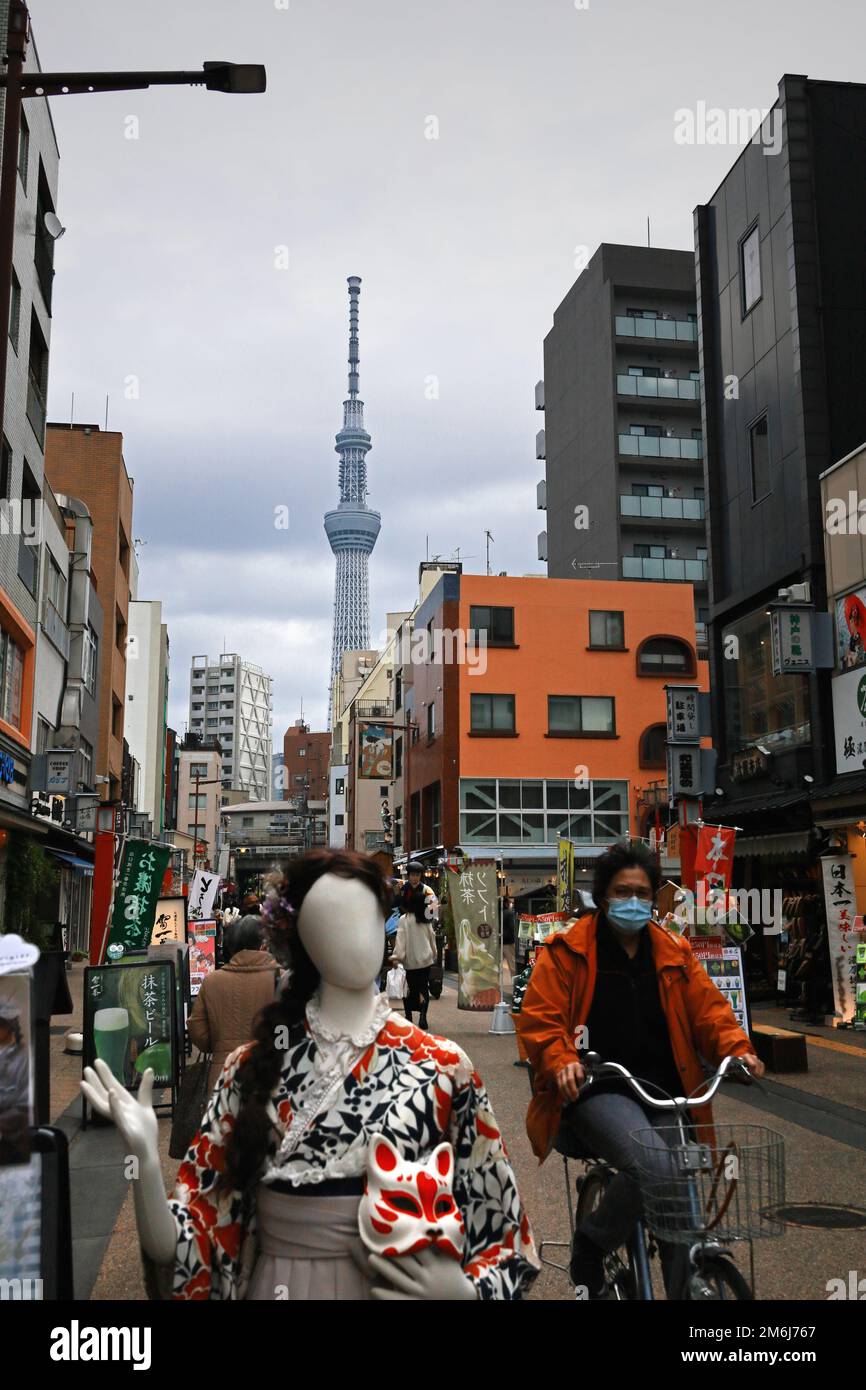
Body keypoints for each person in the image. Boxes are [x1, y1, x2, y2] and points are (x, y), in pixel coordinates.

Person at [81, 848, 539, 1301]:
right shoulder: (250, 1069)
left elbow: (500, 1228)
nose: (358, 936)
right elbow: (201, 1235)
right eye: (336, 921)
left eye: (368, 918)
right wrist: (142, 1160)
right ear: (301, 938)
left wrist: (464, 1292)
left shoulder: (444, 1066)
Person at [516, 840, 764, 1300]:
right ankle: (592, 1243)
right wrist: (562, 1059)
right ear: (603, 895)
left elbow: (710, 1013)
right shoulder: (567, 950)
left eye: (642, 892)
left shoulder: (675, 952)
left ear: (654, 897)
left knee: (681, 1209)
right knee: (655, 1164)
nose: (633, 901)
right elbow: (541, 1020)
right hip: (597, 1087)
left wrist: (738, 1049)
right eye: (622, 891)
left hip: (665, 1089)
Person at [187, 915, 280, 1090]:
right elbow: (287, 1030)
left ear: (231, 947)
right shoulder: (279, 979)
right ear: (263, 945)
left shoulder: (212, 981)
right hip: (268, 1073)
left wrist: (219, 1044)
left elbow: (198, 1031)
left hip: (223, 1075)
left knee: (223, 1116)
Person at [392, 861, 439, 1028]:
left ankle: (411, 1016)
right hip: (425, 956)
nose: (414, 878)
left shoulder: (426, 891)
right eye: (412, 874)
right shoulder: (406, 888)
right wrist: (434, 953)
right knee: (422, 987)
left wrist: (397, 956)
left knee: (410, 988)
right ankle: (422, 1016)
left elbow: (433, 909)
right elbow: (432, 932)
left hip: (410, 958)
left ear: (419, 875)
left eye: (416, 875)